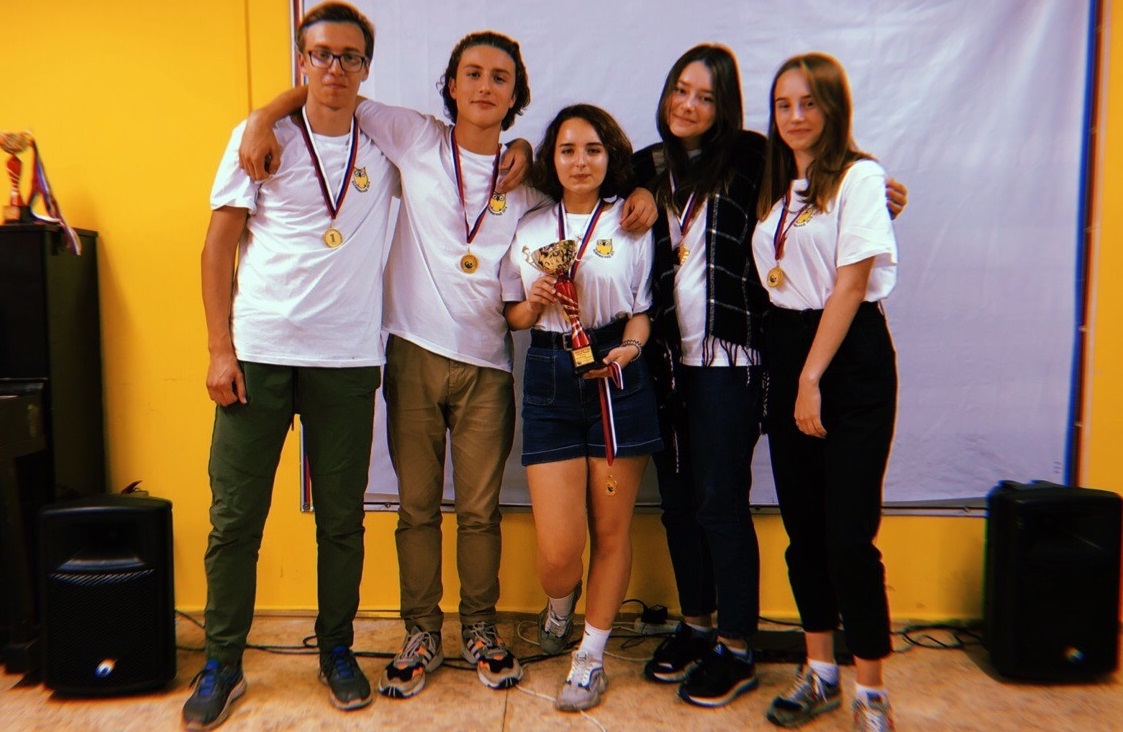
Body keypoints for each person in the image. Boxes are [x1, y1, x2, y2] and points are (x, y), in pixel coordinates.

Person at [237, 31, 655, 701]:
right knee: (416, 509)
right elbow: (330, 89)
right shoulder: (413, 137)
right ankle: (421, 632)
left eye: (500, 78)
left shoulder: (531, 183)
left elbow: (595, 190)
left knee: (481, 512)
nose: (485, 86)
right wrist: (263, 116)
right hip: (413, 350)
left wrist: (641, 196)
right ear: (452, 86)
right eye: (473, 74)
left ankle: (480, 631)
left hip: (489, 364)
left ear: (515, 96)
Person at [632, 44, 908, 710]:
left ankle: (746, 648)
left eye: (706, 96)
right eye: (680, 89)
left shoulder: (754, 159)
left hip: (749, 356)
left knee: (737, 505)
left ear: (726, 107)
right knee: (690, 506)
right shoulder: (652, 166)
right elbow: (578, 171)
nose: (689, 104)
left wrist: (883, 193)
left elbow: (837, 207)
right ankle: (710, 631)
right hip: (675, 356)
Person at [183, 4, 397, 729]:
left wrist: (517, 147)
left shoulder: (385, 142)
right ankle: (222, 663)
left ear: (366, 67)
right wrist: (219, 350)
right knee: (235, 519)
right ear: (302, 61)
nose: (335, 68)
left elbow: (463, 145)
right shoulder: (259, 140)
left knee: (342, 521)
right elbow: (217, 248)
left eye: (350, 56)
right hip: (259, 354)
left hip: (346, 358)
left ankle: (336, 650)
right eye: (321, 54)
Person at [752, 52, 899, 731]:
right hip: (787, 348)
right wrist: (794, 373)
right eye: (783, 104)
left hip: (848, 358)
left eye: (809, 102)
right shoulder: (777, 186)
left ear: (834, 107)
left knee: (848, 535)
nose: (795, 116)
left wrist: (810, 378)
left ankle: (870, 690)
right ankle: (819, 670)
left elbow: (850, 283)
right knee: (804, 532)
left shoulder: (861, 178)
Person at [505, 105, 661, 712]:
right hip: (550, 371)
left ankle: (590, 657)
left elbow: (643, 311)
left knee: (613, 530)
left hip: (617, 372)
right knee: (558, 556)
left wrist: (632, 349)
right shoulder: (530, 225)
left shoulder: (632, 222)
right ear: (553, 158)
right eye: (568, 150)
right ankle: (558, 604)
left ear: (610, 156)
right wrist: (534, 299)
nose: (580, 161)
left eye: (593, 149)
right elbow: (515, 315)